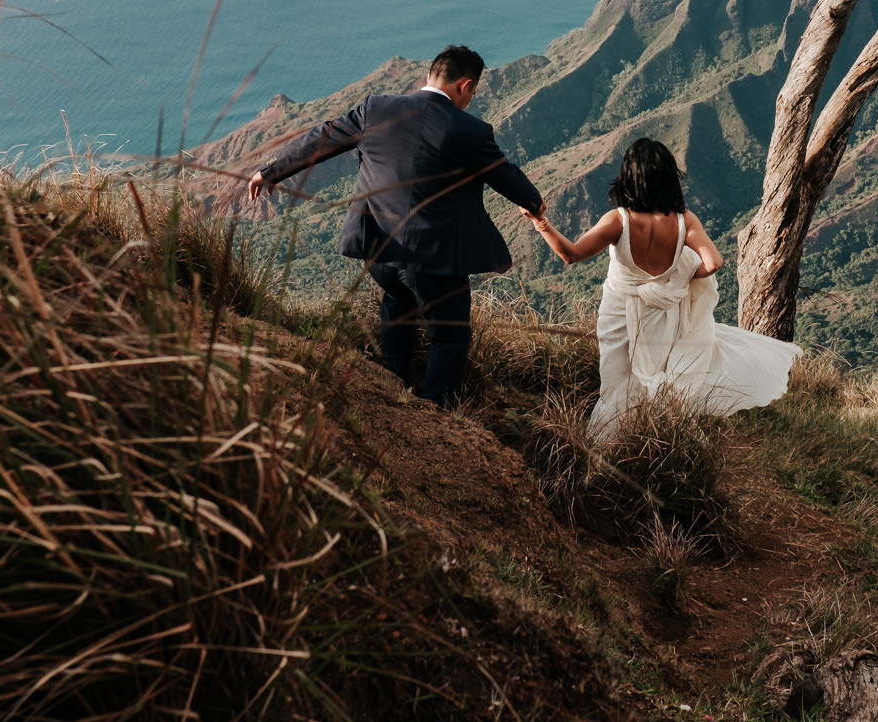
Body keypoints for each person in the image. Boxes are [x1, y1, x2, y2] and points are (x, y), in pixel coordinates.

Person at [247, 44, 543, 408]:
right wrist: (534, 202)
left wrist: (270, 171)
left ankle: (396, 390)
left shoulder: (376, 109)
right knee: (449, 338)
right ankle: (438, 413)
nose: (470, 99)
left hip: (380, 253)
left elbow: (323, 137)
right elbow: (504, 175)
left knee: (397, 305)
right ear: (465, 86)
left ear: (433, 74)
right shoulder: (470, 130)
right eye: (473, 93)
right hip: (433, 259)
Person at [522, 137, 800, 440]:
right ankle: (657, 443)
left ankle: (606, 448)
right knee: (659, 379)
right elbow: (714, 262)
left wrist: (541, 223)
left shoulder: (618, 221)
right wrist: (682, 272)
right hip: (665, 314)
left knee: (618, 385)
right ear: (669, 178)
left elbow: (570, 254)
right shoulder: (684, 221)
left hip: (620, 315)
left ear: (629, 177)